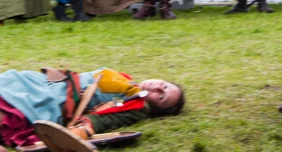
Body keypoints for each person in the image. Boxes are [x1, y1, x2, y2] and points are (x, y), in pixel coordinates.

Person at [0, 67, 184, 149]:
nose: (158, 88)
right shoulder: (128, 80)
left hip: (56, 98)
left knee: (14, 102)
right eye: (165, 85)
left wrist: (83, 129)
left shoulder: (139, 105)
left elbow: (109, 119)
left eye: (162, 97)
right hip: (50, 83)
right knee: (11, 81)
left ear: (159, 109)